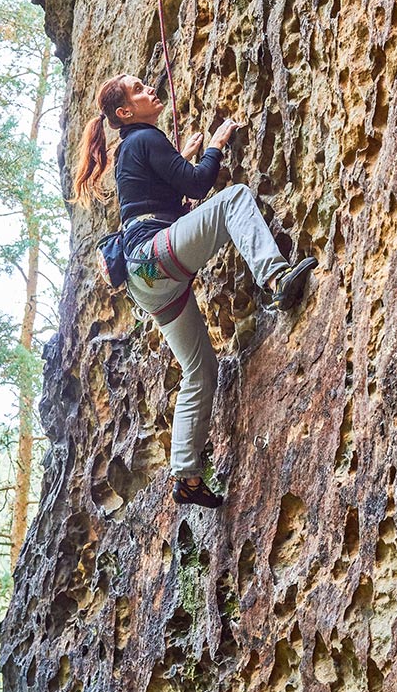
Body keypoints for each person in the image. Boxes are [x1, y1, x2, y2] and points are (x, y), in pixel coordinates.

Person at [73, 73, 317, 508]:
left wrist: (184, 160)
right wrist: (216, 144)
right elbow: (200, 184)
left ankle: (185, 476)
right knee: (235, 198)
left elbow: (167, 197)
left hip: (145, 281)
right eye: (139, 89)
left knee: (199, 370)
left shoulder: (134, 146)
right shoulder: (144, 137)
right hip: (153, 256)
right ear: (125, 112)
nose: (151, 90)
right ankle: (277, 279)